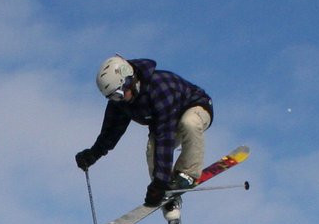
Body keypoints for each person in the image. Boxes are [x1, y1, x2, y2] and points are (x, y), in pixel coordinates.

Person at [74, 56, 214, 209]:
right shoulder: (120, 103)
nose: (117, 100)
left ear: (130, 81)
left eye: (119, 94)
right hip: (167, 123)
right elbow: (111, 132)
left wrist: (160, 181)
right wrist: (93, 154)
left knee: (189, 123)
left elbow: (165, 136)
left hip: (196, 108)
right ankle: (167, 193)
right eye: (112, 97)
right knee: (151, 151)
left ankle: (188, 174)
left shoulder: (159, 88)